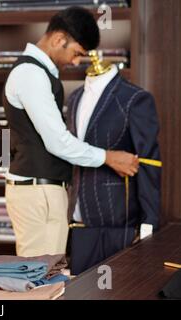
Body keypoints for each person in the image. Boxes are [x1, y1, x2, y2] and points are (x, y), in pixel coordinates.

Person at [3, 6, 140, 258]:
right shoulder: (31, 74)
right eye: (77, 53)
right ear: (58, 39)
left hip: (43, 190)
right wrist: (109, 157)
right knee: (38, 284)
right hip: (38, 192)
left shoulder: (40, 73)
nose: (76, 62)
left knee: (45, 277)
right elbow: (58, 142)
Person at [66, 62, 161, 275]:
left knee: (119, 290)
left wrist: (149, 224)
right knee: (79, 291)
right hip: (78, 219)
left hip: (118, 221)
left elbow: (149, 165)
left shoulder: (134, 99)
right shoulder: (74, 98)